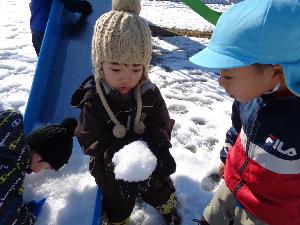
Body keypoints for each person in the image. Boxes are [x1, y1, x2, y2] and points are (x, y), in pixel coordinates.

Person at [189, 0, 300, 224]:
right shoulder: (250, 96)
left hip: (268, 214)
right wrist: (227, 154)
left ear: (276, 71)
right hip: (231, 184)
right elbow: (239, 126)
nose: (220, 82)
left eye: (228, 75)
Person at [71, 0, 181, 224]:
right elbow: (87, 136)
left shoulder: (149, 93)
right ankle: (119, 217)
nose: (126, 77)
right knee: (115, 193)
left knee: (157, 181)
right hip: (109, 160)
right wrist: (112, 152)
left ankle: (165, 202)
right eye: (116, 68)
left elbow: (161, 119)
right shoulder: (94, 99)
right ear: (99, 64)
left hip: (147, 152)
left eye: (135, 68)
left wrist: (157, 142)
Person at [0, 107, 77, 225]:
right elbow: (8, 217)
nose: (42, 171)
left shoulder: (8, 130)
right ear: (38, 157)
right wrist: (29, 216)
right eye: (46, 167)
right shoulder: (12, 174)